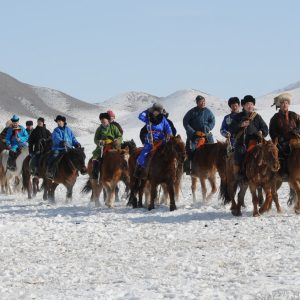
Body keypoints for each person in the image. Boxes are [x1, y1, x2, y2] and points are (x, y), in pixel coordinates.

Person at [229, 95, 268, 178]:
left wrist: (262, 132)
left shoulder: (257, 117)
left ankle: (265, 174)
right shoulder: (238, 116)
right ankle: (239, 174)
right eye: (247, 104)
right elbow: (231, 129)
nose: (250, 106)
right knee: (239, 153)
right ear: (243, 105)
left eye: (251, 104)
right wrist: (240, 125)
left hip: (255, 142)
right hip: (241, 143)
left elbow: (265, 128)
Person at [134, 103, 172, 178]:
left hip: (161, 138)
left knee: (169, 151)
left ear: (160, 111)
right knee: (143, 154)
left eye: (157, 110)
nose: (155, 112)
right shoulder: (148, 118)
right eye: (154, 110)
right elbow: (140, 116)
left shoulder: (163, 119)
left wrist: (169, 134)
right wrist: (147, 111)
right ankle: (139, 171)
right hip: (150, 138)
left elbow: (168, 128)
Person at [183, 95, 216, 174]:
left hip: (206, 135)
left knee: (213, 149)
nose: (203, 103)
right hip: (194, 136)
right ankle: (189, 169)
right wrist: (193, 132)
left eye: (204, 101)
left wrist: (208, 128)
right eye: (201, 102)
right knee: (190, 150)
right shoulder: (192, 112)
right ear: (197, 103)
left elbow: (213, 121)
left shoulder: (208, 112)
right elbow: (185, 122)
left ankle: (212, 167)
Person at [269, 93, 300, 177]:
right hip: (282, 142)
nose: (284, 105)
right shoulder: (275, 118)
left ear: (288, 104)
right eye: (282, 103)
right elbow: (272, 131)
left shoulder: (294, 115)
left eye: (286, 103)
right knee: (284, 153)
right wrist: (279, 138)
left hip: (295, 139)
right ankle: (285, 171)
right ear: (279, 105)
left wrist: (296, 131)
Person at [46, 115, 81, 180]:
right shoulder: (56, 130)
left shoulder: (68, 130)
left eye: (60, 121)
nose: (59, 123)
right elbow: (56, 138)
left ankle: (78, 170)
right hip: (58, 148)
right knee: (54, 156)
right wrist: (61, 142)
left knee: (77, 156)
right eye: (57, 122)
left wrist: (76, 143)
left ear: (63, 122)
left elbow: (73, 138)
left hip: (69, 147)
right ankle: (50, 171)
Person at [91, 113, 123, 179]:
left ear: (108, 121)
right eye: (102, 122)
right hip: (103, 146)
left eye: (104, 121)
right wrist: (99, 142)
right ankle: (95, 172)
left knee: (122, 155)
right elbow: (95, 139)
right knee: (96, 155)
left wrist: (117, 140)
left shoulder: (113, 127)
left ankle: (124, 172)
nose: (103, 123)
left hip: (114, 145)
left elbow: (119, 136)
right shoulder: (99, 129)